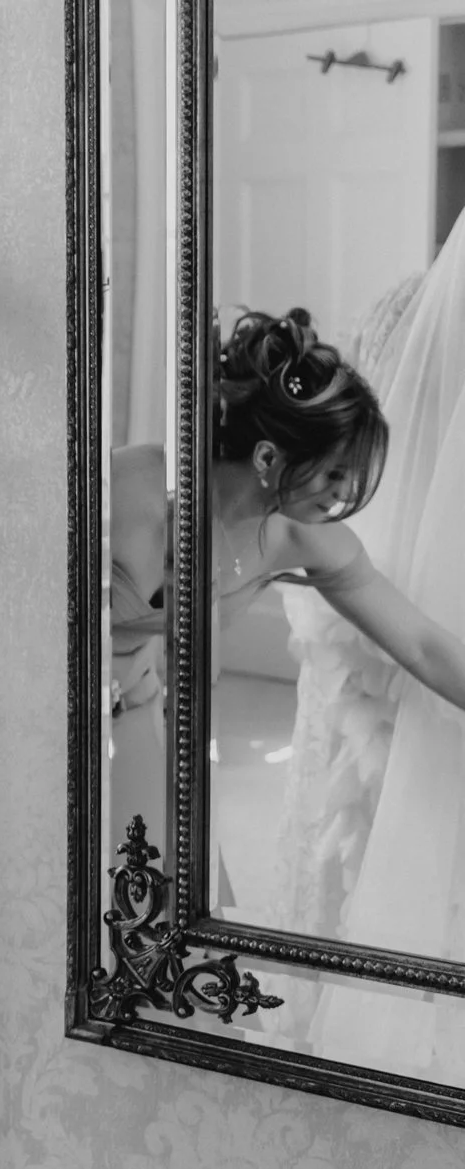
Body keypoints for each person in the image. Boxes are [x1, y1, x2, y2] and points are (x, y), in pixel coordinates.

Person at [107, 310, 465, 879]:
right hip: (48, 713)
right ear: (268, 458)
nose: (343, 493)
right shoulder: (130, 495)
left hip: (136, 715)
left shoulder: (303, 537)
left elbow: (420, 644)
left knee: (168, 899)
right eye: (332, 474)